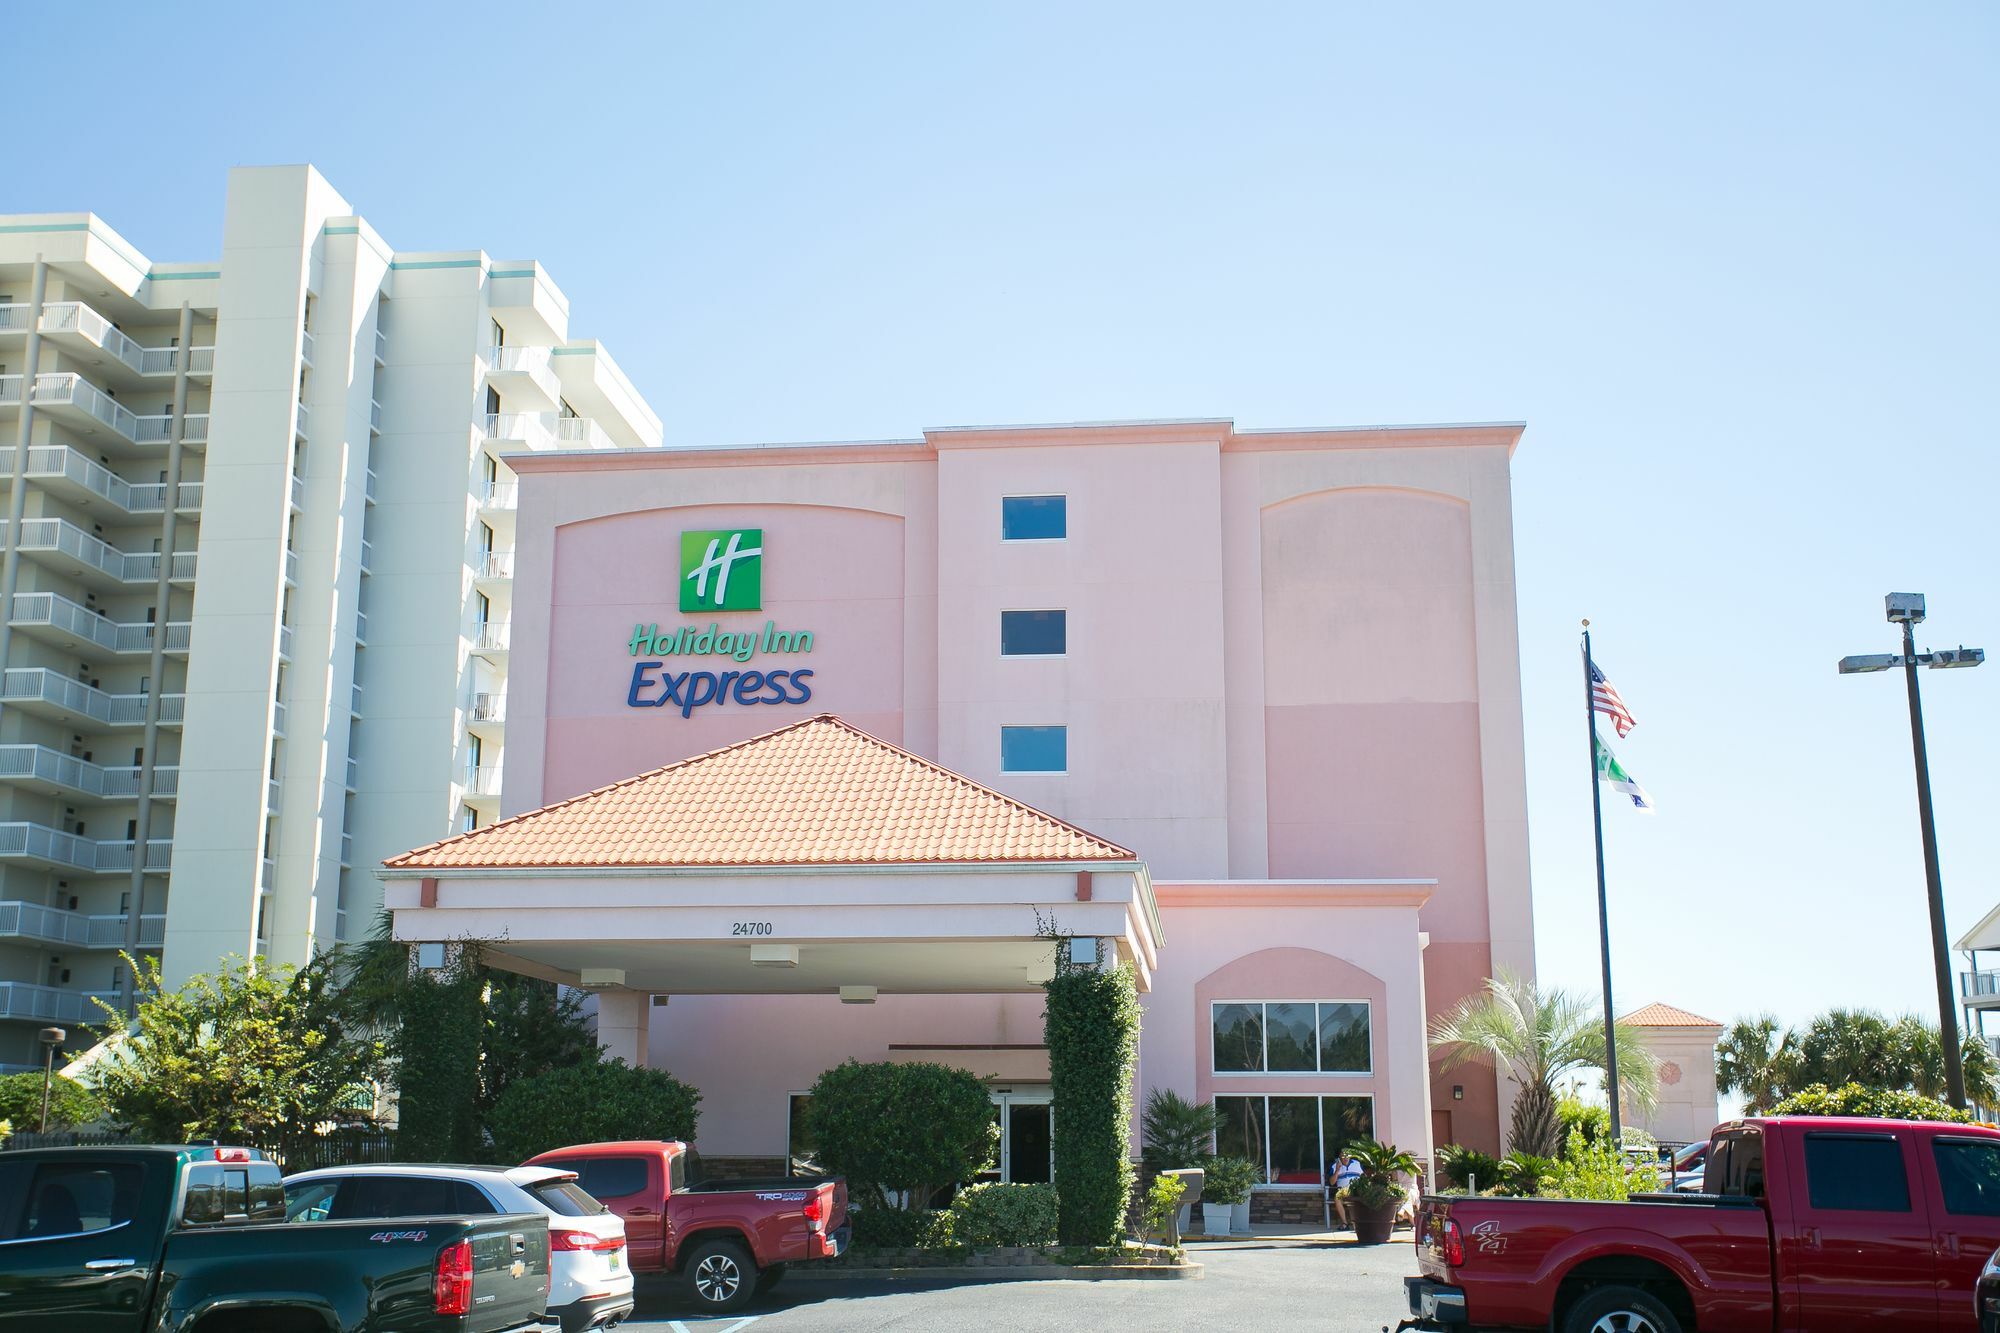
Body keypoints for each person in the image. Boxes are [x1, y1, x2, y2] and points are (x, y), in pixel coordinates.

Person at [1328, 1149, 1363, 1229]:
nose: (1345, 1157)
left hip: (1356, 1189)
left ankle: (1359, 1223)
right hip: (1343, 1190)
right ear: (1339, 1157)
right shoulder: (1334, 1166)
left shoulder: (1357, 1164)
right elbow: (1332, 1183)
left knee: (1359, 1198)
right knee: (1337, 1198)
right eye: (1343, 1155)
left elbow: (1364, 1177)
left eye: (1347, 1155)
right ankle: (1345, 1223)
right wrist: (1337, 1170)